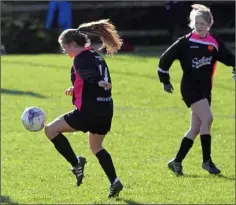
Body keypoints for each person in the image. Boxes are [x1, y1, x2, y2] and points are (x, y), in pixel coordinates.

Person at [44, 19, 124, 198]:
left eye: (65, 47)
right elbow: (88, 77)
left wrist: (98, 81)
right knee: (97, 147)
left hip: (88, 112)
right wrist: (75, 88)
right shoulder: (95, 55)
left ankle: (76, 163)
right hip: (105, 110)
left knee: (50, 130)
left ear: (73, 44)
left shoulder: (80, 59)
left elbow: (90, 75)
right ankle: (114, 181)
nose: (64, 51)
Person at [157, 4, 235, 176]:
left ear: (209, 24)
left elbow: (228, 57)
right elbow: (165, 59)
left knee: (197, 127)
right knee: (208, 118)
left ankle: (176, 162)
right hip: (190, 89)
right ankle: (207, 161)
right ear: (193, 23)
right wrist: (165, 81)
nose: (199, 26)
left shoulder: (213, 42)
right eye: (196, 23)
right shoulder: (185, 42)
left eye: (202, 23)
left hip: (206, 90)